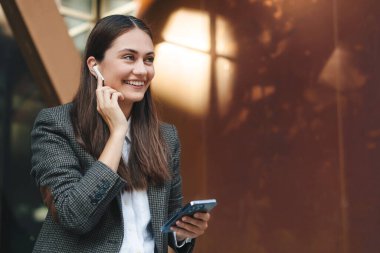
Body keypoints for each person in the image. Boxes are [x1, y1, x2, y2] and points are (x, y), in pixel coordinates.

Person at [31, 15, 210, 253]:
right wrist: (117, 134)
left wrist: (183, 232)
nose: (141, 70)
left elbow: (167, 222)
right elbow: (74, 216)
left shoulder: (165, 137)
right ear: (95, 66)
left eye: (149, 59)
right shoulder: (56, 125)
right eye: (129, 57)